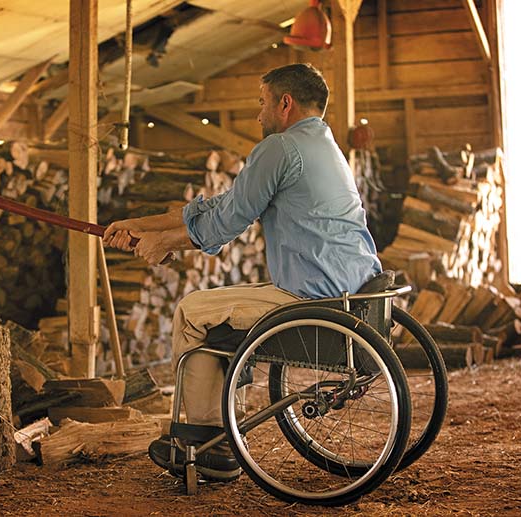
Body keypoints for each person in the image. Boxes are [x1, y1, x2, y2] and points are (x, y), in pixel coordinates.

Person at [103, 63, 382, 481]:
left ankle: (205, 442)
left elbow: (226, 223)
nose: (258, 114)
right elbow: (224, 204)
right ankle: (223, 424)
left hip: (310, 296)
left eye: (261, 102)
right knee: (215, 311)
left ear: (284, 103)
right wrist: (142, 226)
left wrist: (164, 243)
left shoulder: (280, 148)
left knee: (192, 311)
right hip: (347, 289)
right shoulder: (325, 148)